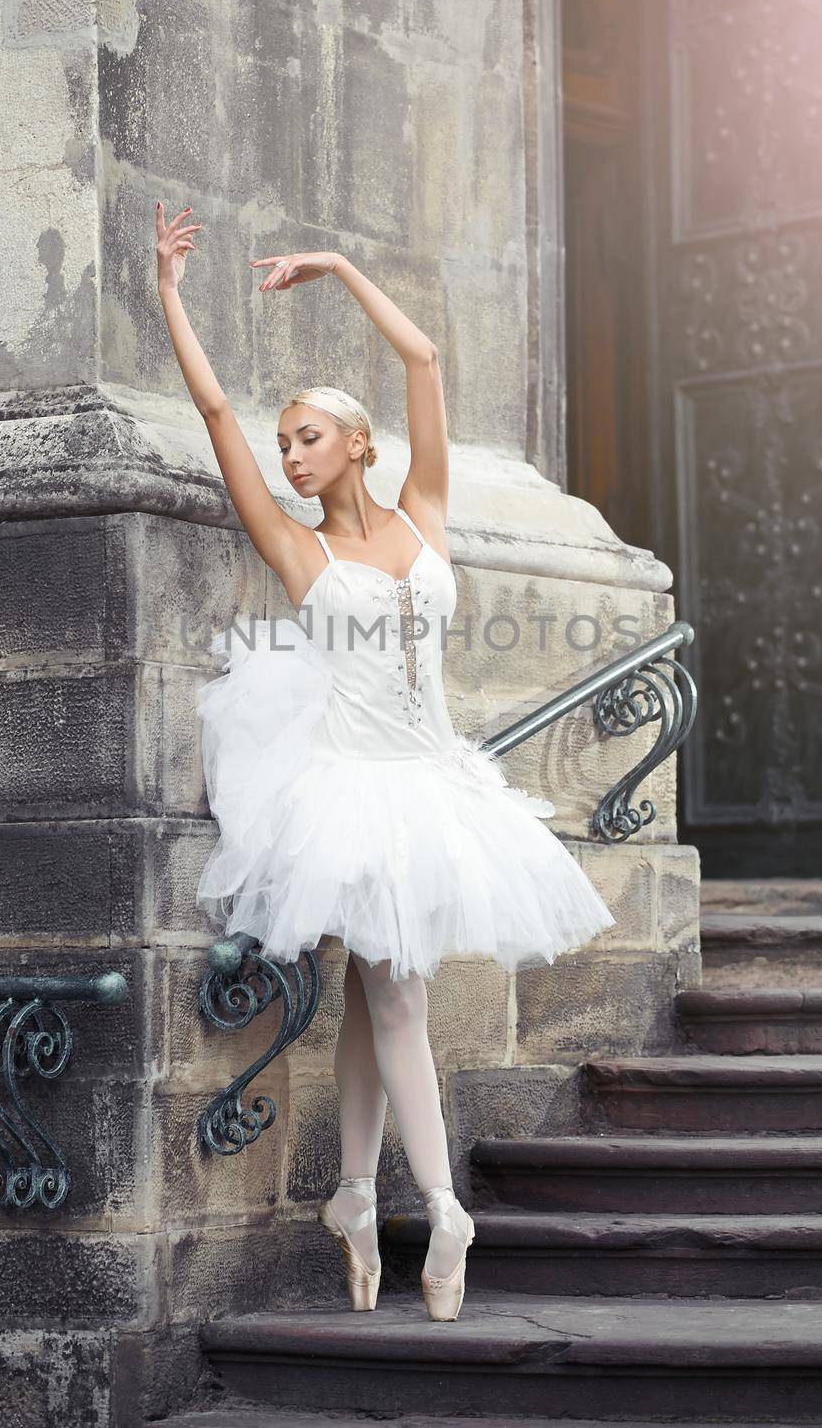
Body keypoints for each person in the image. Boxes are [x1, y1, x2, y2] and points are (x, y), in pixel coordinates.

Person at [155, 202, 615, 1321]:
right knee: (396, 1001)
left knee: (374, 1000)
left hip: (434, 783)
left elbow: (423, 356)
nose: (292, 455)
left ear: (358, 441)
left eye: (308, 436)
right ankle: (447, 1206)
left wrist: (344, 266)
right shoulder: (295, 545)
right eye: (286, 445)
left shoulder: (425, 513)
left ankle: (358, 1199)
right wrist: (168, 294)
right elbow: (215, 409)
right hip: (348, 788)